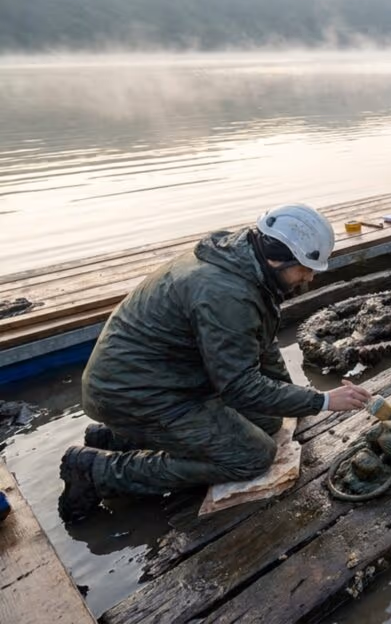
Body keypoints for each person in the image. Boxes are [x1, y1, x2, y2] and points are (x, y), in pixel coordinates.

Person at [58, 203, 373, 522]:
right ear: (277, 258)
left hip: (169, 379)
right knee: (252, 457)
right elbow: (240, 388)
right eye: (304, 269)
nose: (308, 278)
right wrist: (321, 400)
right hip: (131, 394)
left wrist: (294, 402)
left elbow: (262, 347)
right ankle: (97, 470)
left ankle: (115, 438)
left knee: (269, 422)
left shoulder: (246, 263)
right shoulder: (226, 293)